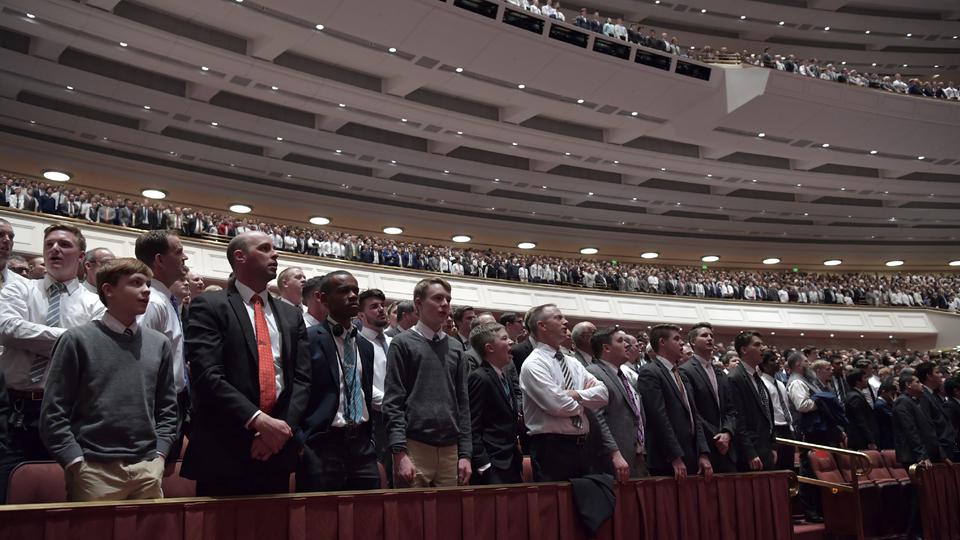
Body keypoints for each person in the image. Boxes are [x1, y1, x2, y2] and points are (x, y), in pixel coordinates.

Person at [181, 231, 311, 496]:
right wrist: (258, 421)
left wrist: (279, 429)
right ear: (240, 257)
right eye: (265, 248)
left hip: (277, 446)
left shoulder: (290, 314)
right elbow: (208, 375)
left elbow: (301, 379)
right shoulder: (209, 305)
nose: (275, 254)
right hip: (224, 447)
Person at [39, 258, 178, 501]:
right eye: (136, 283)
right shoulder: (76, 340)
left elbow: (167, 407)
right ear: (109, 290)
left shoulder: (159, 343)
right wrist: (74, 461)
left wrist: (160, 455)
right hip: (93, 468)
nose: (146, 290)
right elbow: (53, 411)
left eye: (147, 284)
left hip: (147, 467)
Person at [0, 224, 106, 474]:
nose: (54, 249)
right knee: (7, 491)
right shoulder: (20, 287)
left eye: (64, 244)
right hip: (14, 408)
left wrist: (30, 337)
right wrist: (73, 339)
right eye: (49, 244)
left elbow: (94, 349)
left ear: (81, 257)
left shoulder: (95, 302)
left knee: (58, 489)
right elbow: (6, 328)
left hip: (68, 411)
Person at [383, 277, 471, 487]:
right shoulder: (402, 343)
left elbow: (463, 403)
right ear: (418, 303)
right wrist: (399, 452)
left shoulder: (456, 347)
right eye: (438, 298)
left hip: (451, 448)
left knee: (450, 518)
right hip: (414, 446)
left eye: (448, 299)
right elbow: (393, 401)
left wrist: (465, 453)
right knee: (410, 517)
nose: (445, 304)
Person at [296, 271, 379, 492]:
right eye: (343, 291)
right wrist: (300, 440)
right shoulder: (308, 338)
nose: (352, 296)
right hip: (323, 445)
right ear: (322, 298)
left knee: (368, 517)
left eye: (355, 291)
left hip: (361, 444)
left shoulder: (365, 346)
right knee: (321, 520)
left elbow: (365, 394)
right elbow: (297, 392)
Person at [519, 304, 608, 481]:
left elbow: (603, 394)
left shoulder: (572, 362)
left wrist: (575, 395)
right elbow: (558, 405)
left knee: (584, 505)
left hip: (583, 445)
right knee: (555, 505)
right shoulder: (533, 364)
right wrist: (585, 402)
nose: (565, 321)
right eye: (558, 318)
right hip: (551, 448)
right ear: (542, 326)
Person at [135, 231, 190, 468]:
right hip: (155, 408)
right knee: (149, 474)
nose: (185, 257)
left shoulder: (165, 299)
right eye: (178, 252)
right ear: (159, 260)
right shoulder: (152, 303)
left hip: (170, 403)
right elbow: (139, 361)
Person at [636, 324, 712, 480]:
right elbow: (658, 417)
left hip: (691, 454)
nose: (682, 343)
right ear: (662, 342)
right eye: (676, 339)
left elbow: (694, 416)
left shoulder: (681, 373)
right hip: (667, 458)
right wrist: (674, 456)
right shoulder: (650, 372)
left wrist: (703, 453)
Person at [587, 326, 648, 480]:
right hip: (613, 458)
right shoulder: (594, 373)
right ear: (606, 348)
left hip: (636, 454)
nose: (627, 345)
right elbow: (597, 418)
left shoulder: (624, 375)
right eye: (621, 341)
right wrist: (614, 453)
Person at [467, 322, 523, 485]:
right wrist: (483, 462)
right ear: (489, 348)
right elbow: (472, 425)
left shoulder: (503, 375)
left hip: (511, 461)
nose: (511, 342)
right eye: (504, 338)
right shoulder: (479, 377)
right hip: (492, 464)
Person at [681, 322, 737, 473]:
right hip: (705, 446)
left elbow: (731, 409)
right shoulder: (685, 371)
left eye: (711, 335)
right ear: (693, 342)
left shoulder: (720, 372)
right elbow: (693, 412)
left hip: (727, 446)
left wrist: (727, 432)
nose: (710, 338)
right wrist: (716, 437)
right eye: (704, 335)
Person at [357, 288, 393, 484]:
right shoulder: (357, 342)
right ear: (360, 315)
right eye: (374, 307)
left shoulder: (393, 342)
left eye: (382, 305)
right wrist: (393, 404)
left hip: (401, 418)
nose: (381, 310)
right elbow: (364, 385)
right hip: (376, 419)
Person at [728, 331, 776, 471]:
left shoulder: (756, 377)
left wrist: (773, 446)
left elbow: (767, 413)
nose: (763, 348)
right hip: (751, 453)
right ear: (744, 350)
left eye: (762, 344)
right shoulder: (735, 378)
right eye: (757, 345)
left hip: (766, 448)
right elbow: (739, 419)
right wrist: (750, 453)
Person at [915, 362, 957, 460]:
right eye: (937, 372)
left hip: (948, 448)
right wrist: (942, 454)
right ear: (929, 376)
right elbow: (929, 428)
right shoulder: (923, 396)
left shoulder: (932, 395)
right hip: (940, 453)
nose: (941, 375)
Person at [844, 369, 878, 451]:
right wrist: (870, 440)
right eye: (865, 378)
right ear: (858, 382)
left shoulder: (856, 394)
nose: (867, 380)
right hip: (860, 441)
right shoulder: (855, 397)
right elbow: (861, 421)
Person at [875, 380, 897, 450]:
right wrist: (895, 403)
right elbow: (893, 417)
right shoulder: (880, 404)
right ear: (883, 392)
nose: (892, 396)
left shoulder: (886, 403)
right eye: (891, 394)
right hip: (886, 438)